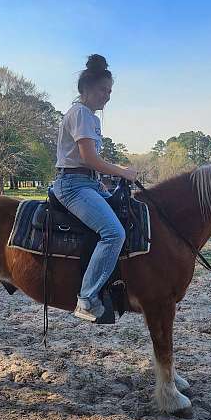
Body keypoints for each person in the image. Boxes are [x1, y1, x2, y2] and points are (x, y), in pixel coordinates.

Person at [52, 54, 138, 322]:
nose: (107, 96)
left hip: (86, 182)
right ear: (86, 89)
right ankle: (87, 298)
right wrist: (122, 171)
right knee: (114, 233)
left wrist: (101, 178)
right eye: (103, 90)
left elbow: (89, 163)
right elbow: (89, 158)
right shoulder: (80, 113)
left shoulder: (88, 116)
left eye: (110, 91)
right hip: (72, 185)